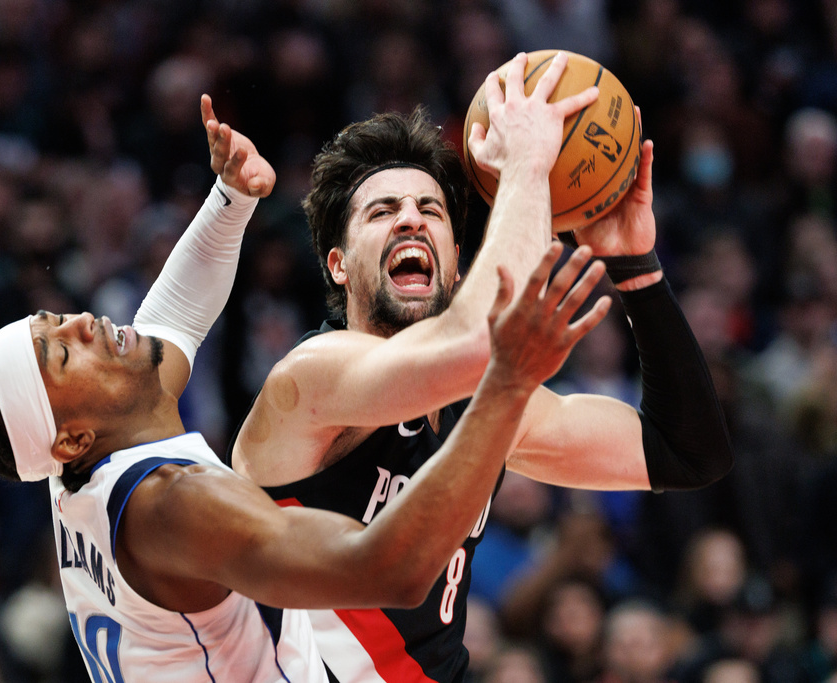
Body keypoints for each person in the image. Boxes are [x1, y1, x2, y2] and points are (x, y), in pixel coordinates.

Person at [0, 93, 611, 682]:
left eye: (59, 321)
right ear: (74, 435)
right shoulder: (175, 506)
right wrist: (505, 383)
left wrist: (230, 199)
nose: (86, 324)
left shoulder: (85, 459)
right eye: (64, 352)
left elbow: (172, 317)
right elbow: (389, 570)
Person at [225, 51, 734, 681]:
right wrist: (526, 163)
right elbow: (477, 343)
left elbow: (687, 453)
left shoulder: (486, 404)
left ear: (457, 263)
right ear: (337, 265)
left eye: (430, 211)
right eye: (381, 212)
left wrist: (635, 266)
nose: (410, 217)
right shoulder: (312, 378)